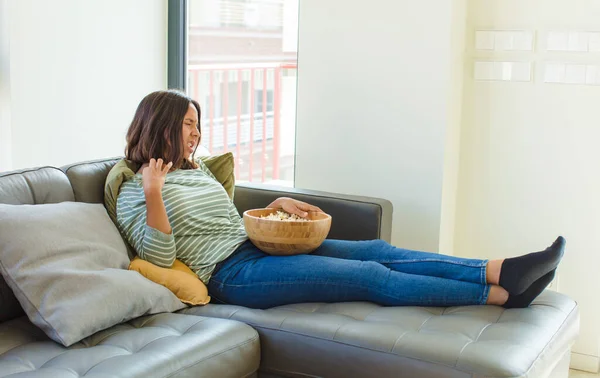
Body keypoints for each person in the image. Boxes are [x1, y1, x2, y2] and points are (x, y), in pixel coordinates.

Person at [116, 90, 565, 310]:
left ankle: (504, 268)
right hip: (232, 275)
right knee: (370, 277)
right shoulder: (136, 189)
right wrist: (154, 192)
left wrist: (274, 208)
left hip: (255, 246)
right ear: (161, 125)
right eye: (189, 125)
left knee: (377, 251)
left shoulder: (193, 172)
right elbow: (159, 254)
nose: (197, 134)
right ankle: (503, 295)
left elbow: (223, 223)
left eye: (198, 125)